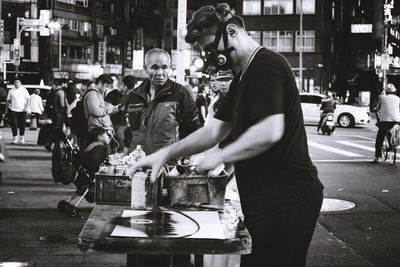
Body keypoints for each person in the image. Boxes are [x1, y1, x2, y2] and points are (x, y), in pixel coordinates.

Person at [131, 4, 323, 267]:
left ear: (231, 31)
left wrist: (219, 156)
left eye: (211, 48)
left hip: (288, 201)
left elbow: (270, 131)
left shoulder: (266, 64)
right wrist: (164, 154)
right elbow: (212, 131)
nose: (211, 57)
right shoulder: (242, 77)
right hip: (263, 200)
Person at [124, 48, 201, 156]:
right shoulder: (133, 96)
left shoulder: (180, 94)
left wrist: (187, 160)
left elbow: (193, 130)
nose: (160, 73)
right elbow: (129, 131)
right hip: (138, 163)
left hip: (168, 163)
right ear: (145, 69)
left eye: (164, 67)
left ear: (169, 68)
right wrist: (125, 155)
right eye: (154, 68)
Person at [82, 74, 120, 151]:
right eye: (106, 86)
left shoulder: (97, 93)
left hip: (100, 126)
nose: (106, 89)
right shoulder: (92, 94)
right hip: (97, 128)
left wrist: (112, 108)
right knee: (102, 151)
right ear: (100, 82)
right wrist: (108, 109)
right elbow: (95, 111)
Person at [105, 75, 137, 152]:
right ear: (123, 85)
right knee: (113, 146)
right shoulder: (112, 94)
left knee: (122, 145)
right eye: (128, 89)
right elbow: (105, 110)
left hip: (124, 125)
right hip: (112, 124)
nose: (129, 91)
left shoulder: (130, 95)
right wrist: (119, 108)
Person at [373, 83, 400, 163]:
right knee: (394, 129)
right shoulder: (398, 98)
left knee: (380, 137)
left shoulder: (382, 97)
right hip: (396, 121)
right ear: (394, 91)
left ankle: (377, 157)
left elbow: (378, 108)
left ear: (386, 91)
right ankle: (393, 141)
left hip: (384, 122)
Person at [5, 79, 30, 144]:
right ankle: (15, 138)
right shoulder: (11, 91)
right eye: (15, 82)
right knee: (14, 124)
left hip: (22, 110)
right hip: (13, 110)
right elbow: (8, 100)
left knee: (22, 124)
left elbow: (28, 99)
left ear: (20, 83)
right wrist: (6, 110)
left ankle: (22, 137)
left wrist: (26, 107)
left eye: (18, 82)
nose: (16, 83)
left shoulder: (24, 90)